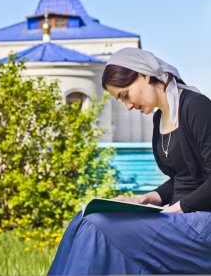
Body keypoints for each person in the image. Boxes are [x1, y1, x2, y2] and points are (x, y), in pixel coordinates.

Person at [48, 47, 211, 275]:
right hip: (179, 219)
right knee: (85, 218)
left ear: (144, 75)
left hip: (200, 224)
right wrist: (143, 199)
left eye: (125, 95)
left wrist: (174, 210)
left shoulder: (196, 107)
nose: (128, 106)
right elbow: (182, 178)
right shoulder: (159, 119)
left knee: (99, 225)